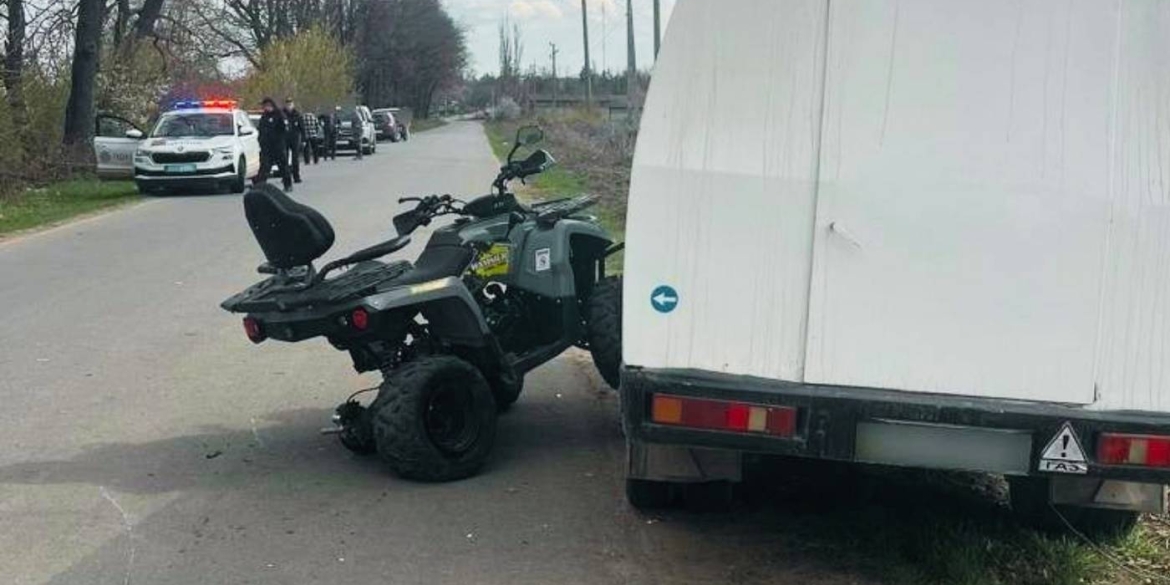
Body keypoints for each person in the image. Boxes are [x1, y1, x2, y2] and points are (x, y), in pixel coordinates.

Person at [253, 97, 292, 193]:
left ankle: (288, 184)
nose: (265, 108)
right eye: (264, 106)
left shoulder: (279, 115)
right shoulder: (264, 117)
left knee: (283, 166)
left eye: (266, 106)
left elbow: (285, 129)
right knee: (264, 167)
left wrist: (281, 140)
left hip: (277, 146)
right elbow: (261, 130)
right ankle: (260, 186)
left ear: (271, 105)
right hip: (266, 147)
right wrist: (261, 141)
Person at [282, 97, 305, 183]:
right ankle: (286, 176)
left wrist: (304, 139)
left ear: (293, 104)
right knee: (284, 158)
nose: (289, 105)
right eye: (287, 104)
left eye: (290, 103)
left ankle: (296, 176)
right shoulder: (282, 114)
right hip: (284, 138)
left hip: (295, 138)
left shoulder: (297, 114)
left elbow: (302, 128)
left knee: (295, 158)